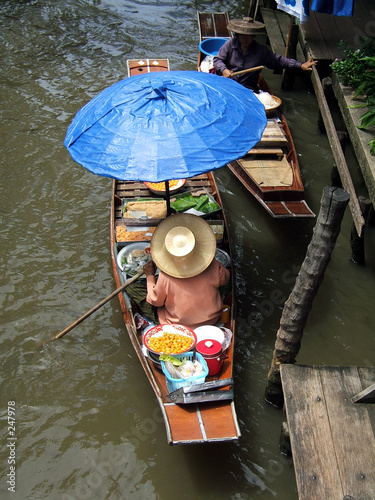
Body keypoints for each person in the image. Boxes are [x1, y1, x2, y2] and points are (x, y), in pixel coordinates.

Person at [143, 213, 230, 330]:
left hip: (179, 325)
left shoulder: (165, 275)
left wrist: (149, 276)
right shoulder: (211, 264)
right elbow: (225, 279)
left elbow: (155, 300)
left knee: (134, 290)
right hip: (212, 319)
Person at [213, 17, 317, 92]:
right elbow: (217, 60)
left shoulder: (261, 51)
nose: (246, 39)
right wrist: (224, 70)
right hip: (226, 85)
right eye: (243, 35)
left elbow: (279, 61)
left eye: (249, 36)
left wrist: (300, 65)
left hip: (247, 89)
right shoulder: (230, 44)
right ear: (238, 35)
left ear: (253, 36)